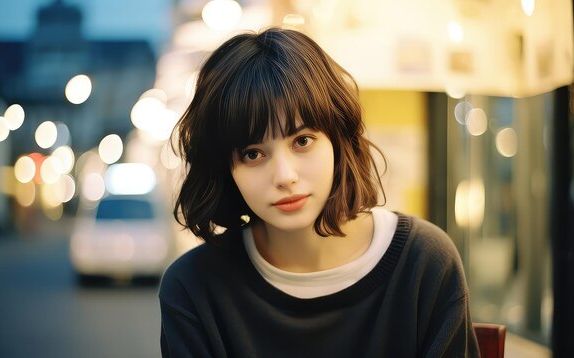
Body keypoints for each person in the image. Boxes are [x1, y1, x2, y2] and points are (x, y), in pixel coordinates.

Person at [159, 27, 480, 357]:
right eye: (253, 154)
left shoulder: (423, 263)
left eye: (302, 141)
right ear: (226, 169)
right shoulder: (194, 287)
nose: (285, 176)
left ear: (338, 140)